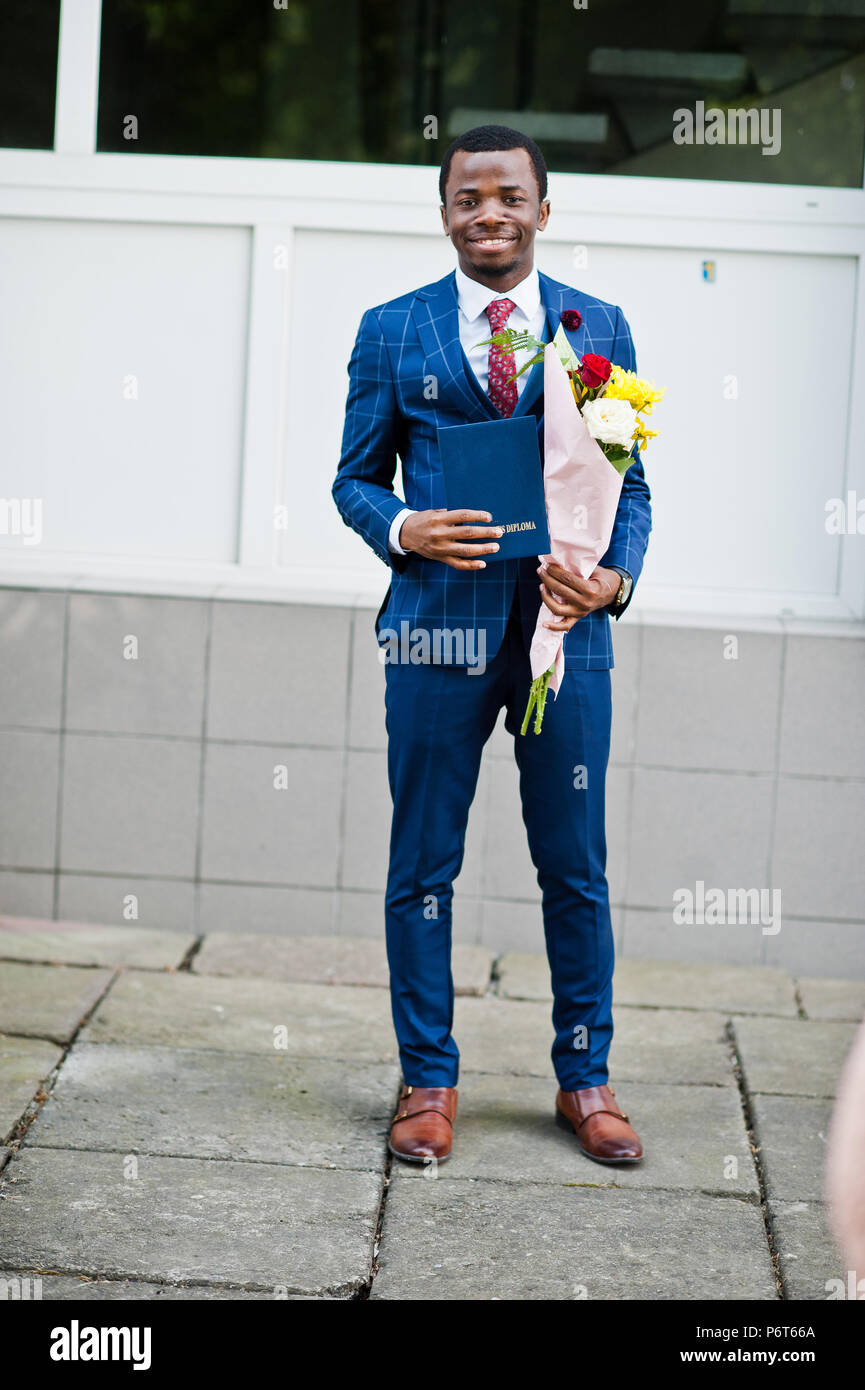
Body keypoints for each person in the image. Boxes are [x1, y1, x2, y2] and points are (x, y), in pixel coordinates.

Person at [332, 125, 652, 1166]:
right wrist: (399, 527)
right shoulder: (392, 329)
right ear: (445, 212)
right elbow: (353, 477)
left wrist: (613, 579)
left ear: (543, 210)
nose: (489, 213)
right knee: (423, 863)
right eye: (468, 197)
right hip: (435, 632)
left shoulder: (595, 327)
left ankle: (585, 1077)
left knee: (576, 866)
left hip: (566, 639)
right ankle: (427, 1081)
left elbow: (631, 487)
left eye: (509, 196)